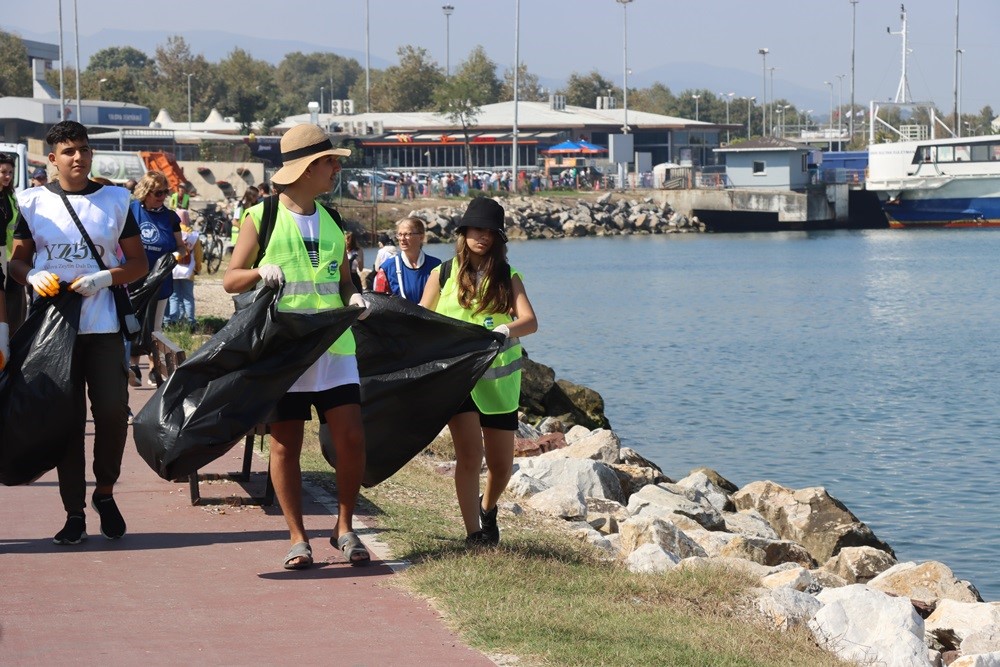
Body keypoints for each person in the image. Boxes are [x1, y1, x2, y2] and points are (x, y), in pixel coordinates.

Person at [222, 123, 371, 569]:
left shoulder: (332, 219)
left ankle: (344, 527)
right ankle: (297, 537)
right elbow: (231, 278)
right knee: (286, 442)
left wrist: (355, 298)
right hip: (284, 346)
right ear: (307, 168)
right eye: (330, 162)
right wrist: (259, 271)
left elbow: (343, 282)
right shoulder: (261, 217)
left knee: (351, 437)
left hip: (333, 345)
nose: (336, 169)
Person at [8, 120, 149, 545]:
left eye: (84, 150)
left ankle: (104, 492)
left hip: (103, 325)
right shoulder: (31, 202)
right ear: (52, 159)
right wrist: (31, 276)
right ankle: (74, 514)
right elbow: (16, 262)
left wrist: (105, 278)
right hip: (54, 331)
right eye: (69, 151)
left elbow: (139, 263)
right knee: (66, 424)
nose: (78, 157)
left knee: (111, 412)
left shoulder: (114, 200)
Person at [419, 198, 537, 546]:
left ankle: (488, 508)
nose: (482, 237)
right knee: (470, 455)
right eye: (476, 230)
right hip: (457, 379)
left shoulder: (508, 276)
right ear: (464, 233)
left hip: (498, 382)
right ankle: (474, 534)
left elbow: (530, 321)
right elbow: (422, 317)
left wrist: (507, 330)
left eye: (489, 232)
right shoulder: (442, 273)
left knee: (501, 467)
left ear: (498, 238)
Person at [128, 171, 186, 386]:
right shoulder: (131, 211)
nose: (162, 196)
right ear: (146, 192)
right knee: (132, 322)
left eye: (165, 192)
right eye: (157, 192)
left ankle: (154, 367)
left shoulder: (170, 217)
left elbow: (181, 245)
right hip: (134, 278)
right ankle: (134, 364)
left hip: (160, 279)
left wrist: (178, 254)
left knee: (155, 326)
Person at [375, 217, 441, 303]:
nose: (402, 239)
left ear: (421, 237)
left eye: (407, 234)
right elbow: (379, 303)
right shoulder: (387, 268)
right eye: (399, 234)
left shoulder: (436, 266)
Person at [1, 153, 28, 333]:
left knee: (16, 307)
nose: (8, 176)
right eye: (3, 172)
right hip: (3, 256)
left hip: (10, 257)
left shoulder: (10, 196)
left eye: (11, 172)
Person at [165, 210, 201, 328]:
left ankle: (174, 320)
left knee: (174, 296)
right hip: (188, 270)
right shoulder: (193, 235)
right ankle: (190, 321)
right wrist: (198, 268)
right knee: (188, 297)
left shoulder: (172, 232)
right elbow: (198, 254)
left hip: (174, 269)